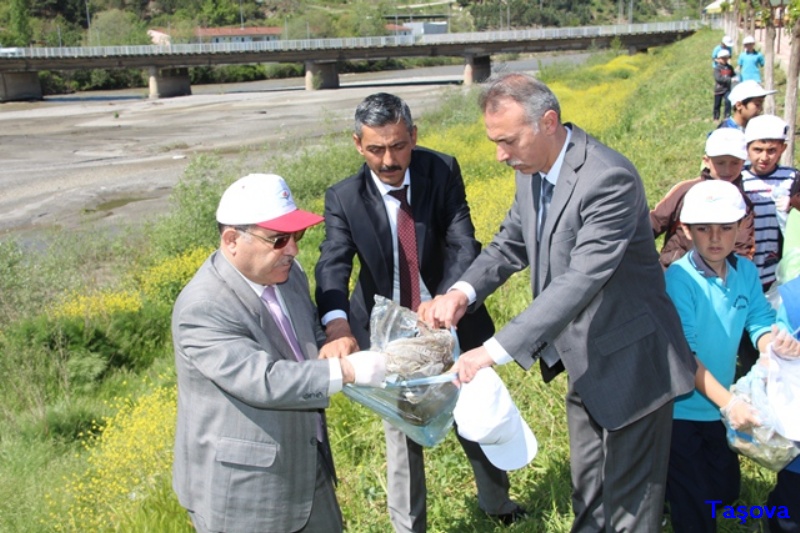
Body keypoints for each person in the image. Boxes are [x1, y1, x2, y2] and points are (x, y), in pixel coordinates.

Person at [418, 72, 697, 532]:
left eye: (508, 141)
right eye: (494, 142)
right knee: (588, 490)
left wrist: (493, 350)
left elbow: (580, 279)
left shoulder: (608, 178)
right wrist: (459, 294)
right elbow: (510, 243)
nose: (500, 155)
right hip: (583, 360)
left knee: (629, 507)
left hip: (633, 364)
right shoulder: (533, 172)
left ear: (548, 122)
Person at [314, 93, 525, 532]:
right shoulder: (343, 198)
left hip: (450, 317)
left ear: (414, 136)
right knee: (403, 433)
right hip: (389, 331)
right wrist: (336, 324)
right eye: (376, 149)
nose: (389, 160)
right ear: (357, 144)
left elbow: (462, 241)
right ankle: (409, 527)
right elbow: (332, 262)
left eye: (398, 146)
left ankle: (498, 504)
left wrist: (448, 298)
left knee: (476, 412)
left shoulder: (441, 170)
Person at [172, 173, 386, 533]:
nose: (294, 250)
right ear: (232, 240)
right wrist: (346, 371)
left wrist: (331, 342)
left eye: (297, 236)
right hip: (245, 495)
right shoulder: (203, 306)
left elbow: (306, 331)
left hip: (306, 464)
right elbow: (263, 380)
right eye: (279, 239)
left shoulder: (287, 275)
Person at [662, 179, 800, 532]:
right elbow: (684, 355)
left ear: (740, 226)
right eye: (703, 229)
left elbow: (759, 322)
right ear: (686, 231)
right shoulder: (680, 279)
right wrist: (731, 405)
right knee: (695, 508)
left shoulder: (746, 272)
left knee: (724, 490)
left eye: (725, 228)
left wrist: (773, 345)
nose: (715, 238)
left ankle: (666, 493)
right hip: (682, 409)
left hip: (720, 404)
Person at [651, 127, 755, 270]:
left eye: (735, 163)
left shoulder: (743, 204)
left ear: (743, 162)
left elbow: (742, 249)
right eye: (720, 163)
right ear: (706, 160)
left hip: (718, 281)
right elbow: (651, 225)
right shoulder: (685, 191)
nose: (727, 169)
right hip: (674, 275)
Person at [742, 114, 798, 289]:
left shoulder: (792, 178)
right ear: (747, 148)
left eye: (771, 150)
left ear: (783, 148)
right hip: (745, 262)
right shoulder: (739, 178)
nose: (764, 157)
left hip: (777, 267)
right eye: (758, 150)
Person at [713, 48, 735, 121]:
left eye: (726, 58)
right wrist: (729, 80)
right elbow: (718, 78)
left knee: (728, 101)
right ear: (719, 59)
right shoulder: (717, 68)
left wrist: (735, 78)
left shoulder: (730, 67)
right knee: (717, 104)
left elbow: (733, 75)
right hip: (719, 89)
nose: (724, 60)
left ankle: (727, 116)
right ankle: (716, 117)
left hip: (727, 89)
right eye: (722, 58)